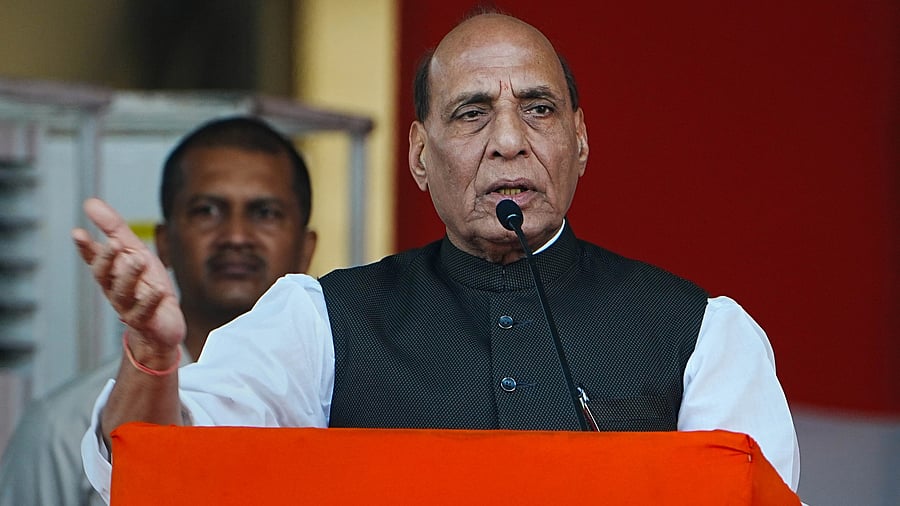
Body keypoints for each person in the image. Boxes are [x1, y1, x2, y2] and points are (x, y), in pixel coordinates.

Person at [77, 13, 800, 503]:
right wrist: (153, 357)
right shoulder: (322, 322)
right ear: (420, 155)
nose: (509, 141)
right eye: (472, 112)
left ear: (580, 140)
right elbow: (158, 470)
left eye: (539, 109)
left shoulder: (700, 333)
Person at [0, 115, 317, 506]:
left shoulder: (336, 404)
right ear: (164, 242)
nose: (236, 236)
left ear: (306, 248)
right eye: (207, 211)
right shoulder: (63, 426)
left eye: (265, 213)